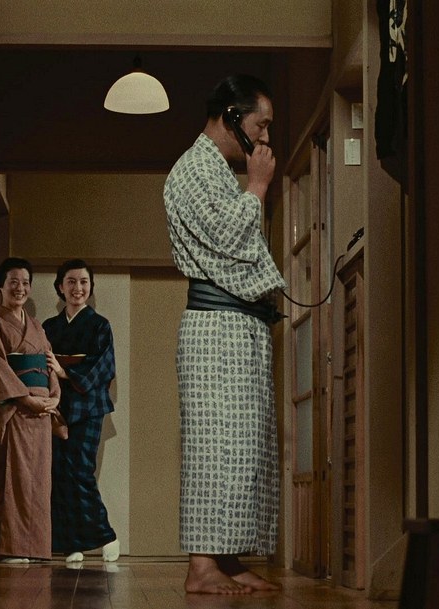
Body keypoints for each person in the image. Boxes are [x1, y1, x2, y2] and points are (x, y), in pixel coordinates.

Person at [163, 74, 288, 594]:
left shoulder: (216, 170)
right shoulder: (193, 168)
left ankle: (228, 557)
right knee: (214, 448)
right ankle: (201, 567)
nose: (265, 138)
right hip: (216, 328)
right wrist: (257, 186)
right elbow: (229, 237)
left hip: (240, 326)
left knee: (244, 448)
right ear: (232, 116)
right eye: (261, 125)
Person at [43, 259, 120, 563]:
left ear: (91, 286)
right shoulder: (49, 327)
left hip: (88, 407)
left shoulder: (100, 325)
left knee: (81, 471)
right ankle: (71, 543)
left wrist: (65, 372)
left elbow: (105, 366)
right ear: (60, 287)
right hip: (57, 406)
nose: (78, 288)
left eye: (84, 282)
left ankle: (106, 535)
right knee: (59, 473)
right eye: (71, 282)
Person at [0, 257, 65, 563]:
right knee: (16, 476)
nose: (20, 288)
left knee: (40, 480)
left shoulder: (36, 326)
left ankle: (36, 548)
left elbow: (48, 362)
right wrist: (24, 398)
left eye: (25, 283)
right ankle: (13, 547)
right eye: (13, 282)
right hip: (18, 408)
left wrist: (55, 397)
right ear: (1, 286)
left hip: (42, 410)